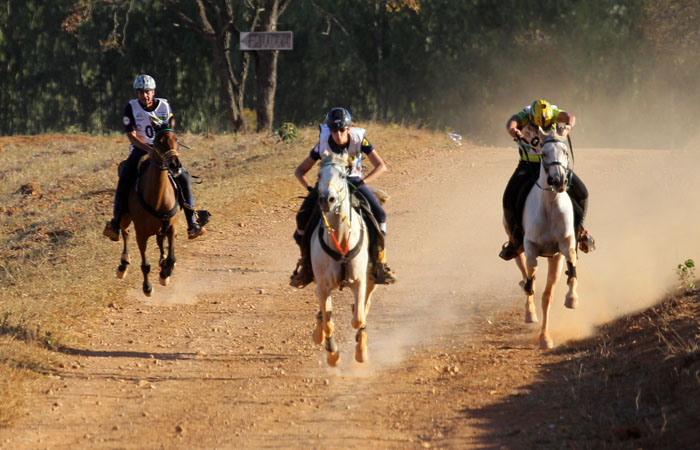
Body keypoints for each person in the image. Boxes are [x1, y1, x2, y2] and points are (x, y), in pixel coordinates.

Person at [289, 107, 396, 288]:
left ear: (348, 129)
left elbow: (381, 166)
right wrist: (310, 188)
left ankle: (380, 263)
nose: (338, 135)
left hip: (353, 182)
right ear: (329, 130)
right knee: (302, 217)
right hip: (328, 185)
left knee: (380, 215)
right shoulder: (322, 144)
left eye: (342, 130)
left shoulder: (360, 140)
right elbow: (300, 170)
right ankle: (306, 265)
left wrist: (363, 181)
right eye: (334, 130)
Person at [103, 74, 208, 241]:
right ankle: (116, 222)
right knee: (125, 177)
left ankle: (192, 223)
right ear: (137, 93)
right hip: (141, 150)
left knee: (183, 175)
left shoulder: (164, 106)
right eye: (141, 92)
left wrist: (173, 150)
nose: (145, 95)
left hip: (164, 149)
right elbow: (131, 135)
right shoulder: (131, 107)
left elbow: (170, 131)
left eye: (148, 92)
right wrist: (147, 149)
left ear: (154, 92)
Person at [500, 99, 595, 260]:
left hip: (554, 165)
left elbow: (569, 116)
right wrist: (512, 130)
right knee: (508, 198)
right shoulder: (526, 114)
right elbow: (512, 121)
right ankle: (515, 239)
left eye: (547, 124)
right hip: (528, 165)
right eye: (538, 125)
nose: (542, 128)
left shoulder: (554, 113)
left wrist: (568, 126)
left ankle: (580, 232)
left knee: (582, 193)